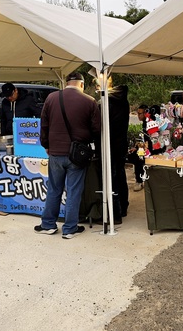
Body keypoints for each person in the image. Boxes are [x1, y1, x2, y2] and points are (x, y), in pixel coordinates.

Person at [36, 72, 100, 239]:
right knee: (74, 191)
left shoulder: (51, 98)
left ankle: (48, 225)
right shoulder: (89, 101)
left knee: (54, 189)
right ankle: (70, 228)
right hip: (77, 154)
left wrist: (46, 145)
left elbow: (44, 125)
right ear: (81, 84)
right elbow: (96, 129)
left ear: (66, 83)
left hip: (55, 152)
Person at [97, 77, 130, 222]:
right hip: (121, 144)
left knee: (111, 178)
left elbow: (99, 126)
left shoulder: (105, 101)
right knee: (120, 175)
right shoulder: (123, 100)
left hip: (108, 144)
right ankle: (123, 206)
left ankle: (115, 213)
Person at [129, 104, 149, 192]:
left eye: (140, 113)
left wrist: (140, 148)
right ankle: (139, 179)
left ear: (145, 113)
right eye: (138, 113)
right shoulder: (144, 123)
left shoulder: (149, 123)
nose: (138, 116)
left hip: (150, 150)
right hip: (145, 148)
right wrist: (137, 147)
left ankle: (139, 181)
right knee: (133, 155)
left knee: (137, 158)